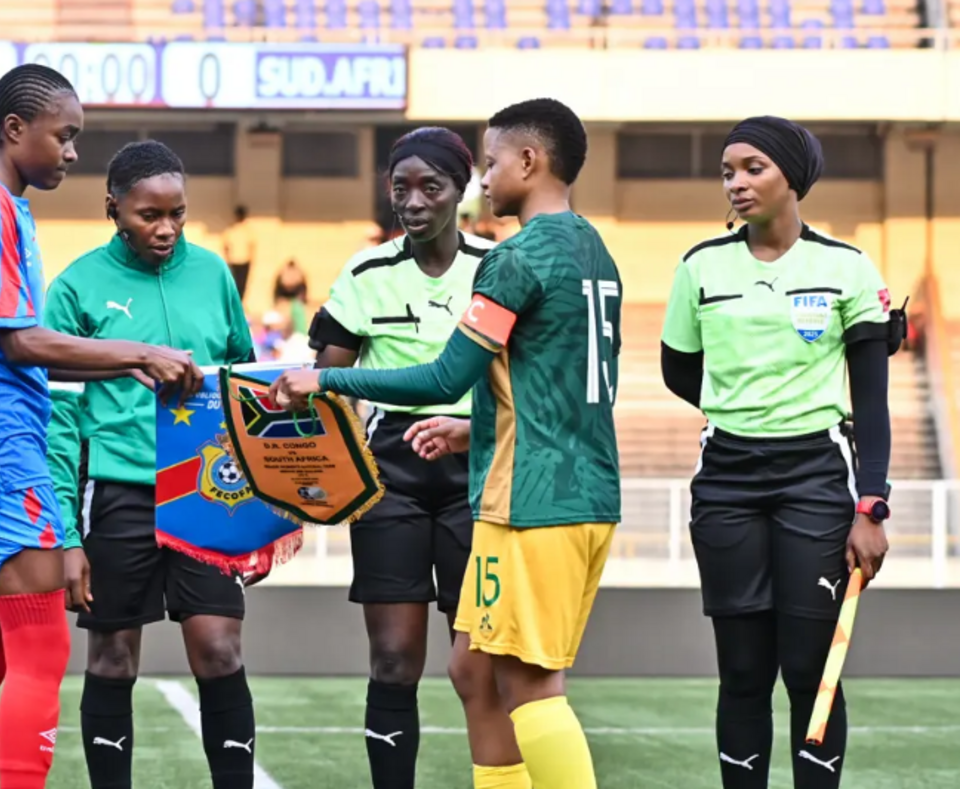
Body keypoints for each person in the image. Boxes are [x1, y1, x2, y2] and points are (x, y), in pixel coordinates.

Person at [269, 98, 619, 789]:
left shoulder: (512, 259)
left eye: (489, 163)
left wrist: (324, 377)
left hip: (530, 496)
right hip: (574, 483)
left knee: (530, 687)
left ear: (527, 161)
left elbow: (444, 373)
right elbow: (555, 378)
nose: (487, 177)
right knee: (469, 667)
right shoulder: (592, 247)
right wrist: (473, 427)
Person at [0, 64, 200, 789]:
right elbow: (16, 342)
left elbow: (14, 346)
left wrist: (118, 365)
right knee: (39, 653)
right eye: (64, 136)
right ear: (15, 130)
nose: (72, 152)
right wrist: (138, 350)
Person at [660, 116, 893, 789]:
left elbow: (871, 401)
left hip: (816, 479)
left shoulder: (846, 266)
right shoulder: (701, 265)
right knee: (741, 671)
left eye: (752, 167)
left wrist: (871, 504)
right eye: (728, 170)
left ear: (792, 176)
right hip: (726, 479)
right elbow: (679, 369)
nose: (736, 182)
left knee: (810, 667)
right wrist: (740, 403)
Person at [307, 126, 529, 789]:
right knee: (395, 658)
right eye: (399, 187)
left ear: (461, 193)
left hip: (482, 474)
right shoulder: (365, 271)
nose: (412, 200)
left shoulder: (498, 267)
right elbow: (327, 383)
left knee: (481, 663)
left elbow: (521, 374)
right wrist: (327, 477)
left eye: (429, 186)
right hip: (390, 479)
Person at [43, 140, 260, 789]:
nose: (165, 228)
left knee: (220, 648)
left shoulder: (216, 274)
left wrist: (261, 507)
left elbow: (246, 389)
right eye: (148, 215)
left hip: (206, 495)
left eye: (177, 214)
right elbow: (58, 423)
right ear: (113, 208)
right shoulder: (76, 287)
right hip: (116, 494)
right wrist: (67, 535)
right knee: (112, 656)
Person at [222, 204, 255, 299]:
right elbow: (226, 246)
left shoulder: (246, 230)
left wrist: (250, 259)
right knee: (236, 285)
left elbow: (251, 246)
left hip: (242, 261)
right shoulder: (231, 229)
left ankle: (239, 304)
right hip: (235, 261)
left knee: (241, 285)